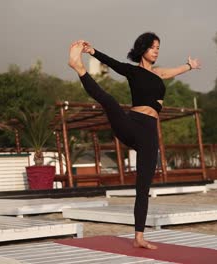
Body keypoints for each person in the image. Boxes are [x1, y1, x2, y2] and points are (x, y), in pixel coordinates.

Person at [68, 32, 201, 249]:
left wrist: (188, 66)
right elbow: (112, 63)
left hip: (150, 134)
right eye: (153, 47)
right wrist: (92, 52)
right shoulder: (132, 71)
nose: (157, 51)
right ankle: (78, 67)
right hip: (131, 125)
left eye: (159, 47)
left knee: (143, 187)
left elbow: (172, 71)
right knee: (109, 101)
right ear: (143, 49)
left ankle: (139, 237)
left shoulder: (158, 74)